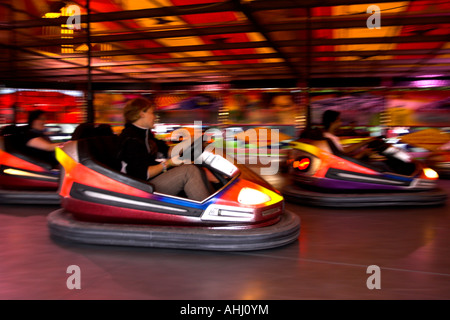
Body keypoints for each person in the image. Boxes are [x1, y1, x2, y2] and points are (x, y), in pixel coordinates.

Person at [117, 97, 211, 201]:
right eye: (152, 113)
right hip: (139, 188)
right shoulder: (131, 138)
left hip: (149, 183)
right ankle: (209, 211)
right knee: (189, 171)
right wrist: (168, 164)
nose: (155, 117)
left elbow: (169, 152)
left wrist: (193, 140)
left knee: (197, 168)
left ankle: (214, 203)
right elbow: (142, 173)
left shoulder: (146, 135)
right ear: (141, 113)